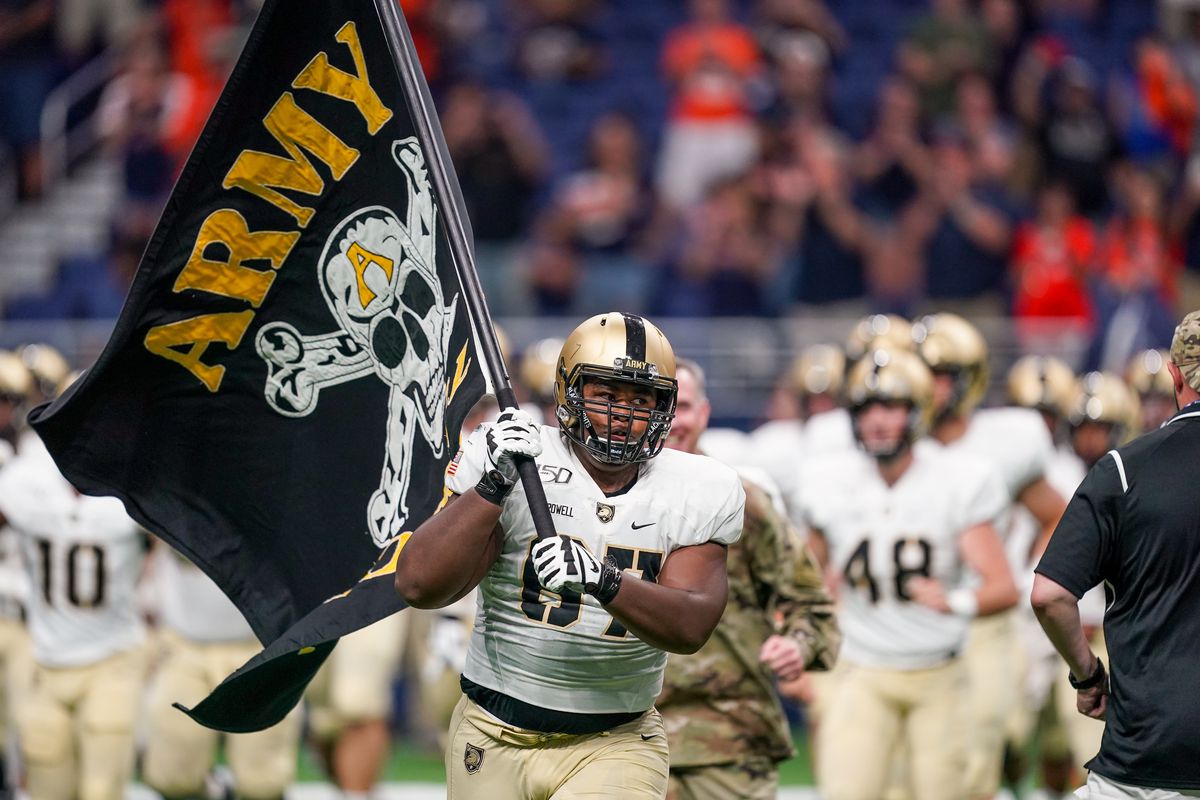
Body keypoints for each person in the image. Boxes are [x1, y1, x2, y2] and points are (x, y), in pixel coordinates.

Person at [394, 312, 745, 800]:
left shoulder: (701, 486)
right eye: (606, 394)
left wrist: (605, 582)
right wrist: (493, 484)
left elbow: (691, 625)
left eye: (641, 399)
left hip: (615, 738)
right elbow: (419, 585)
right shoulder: (517, 454)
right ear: (570, 392)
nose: (623, 414)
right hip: (493, 728)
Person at [793, 344, 1017, 800]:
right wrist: (795, 639)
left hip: (939, 670)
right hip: (862, 669)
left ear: (918, 410)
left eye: (891, 406)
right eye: (866, 407)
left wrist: (953, 600)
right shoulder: (828, 479)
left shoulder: (957, 478)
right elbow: (804, 578)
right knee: (846, 790)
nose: (877, 420)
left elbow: (1003, 587)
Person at [1031, 309, 1200, 798]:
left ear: (1174, 374)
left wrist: (1088, 674)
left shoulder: (1123, 470)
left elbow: (1049, 594)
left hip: (1143, 754)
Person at [657, 358, 839, 800]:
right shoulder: (601, 496)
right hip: (623, 738)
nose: (671, 420)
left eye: (682, 407)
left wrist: (796, 644)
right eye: (660, 405)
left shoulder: (741, 499)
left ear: (703, 413)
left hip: (729, 739)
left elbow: (813, 608)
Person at [913, 312, 1067, 800]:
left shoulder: (1005, 442)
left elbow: (1056, 515)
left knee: (980, 754)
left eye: (940, 375)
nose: (928, 387)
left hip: (983, 617)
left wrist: (1024, 578)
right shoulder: (893, 436)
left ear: (967, 380)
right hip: (912, 616)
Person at [0, 429, 148, 800]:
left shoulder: (134, 486)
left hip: (112, 659)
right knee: (50, 788)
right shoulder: (27, 478)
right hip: (45, 661)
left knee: (101, 790)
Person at [141, 544, 302, 800]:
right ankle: (213, 791)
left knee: (262, 784)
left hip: (260, 643)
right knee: (173, 777)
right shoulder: (174, 502)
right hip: (183, 642)